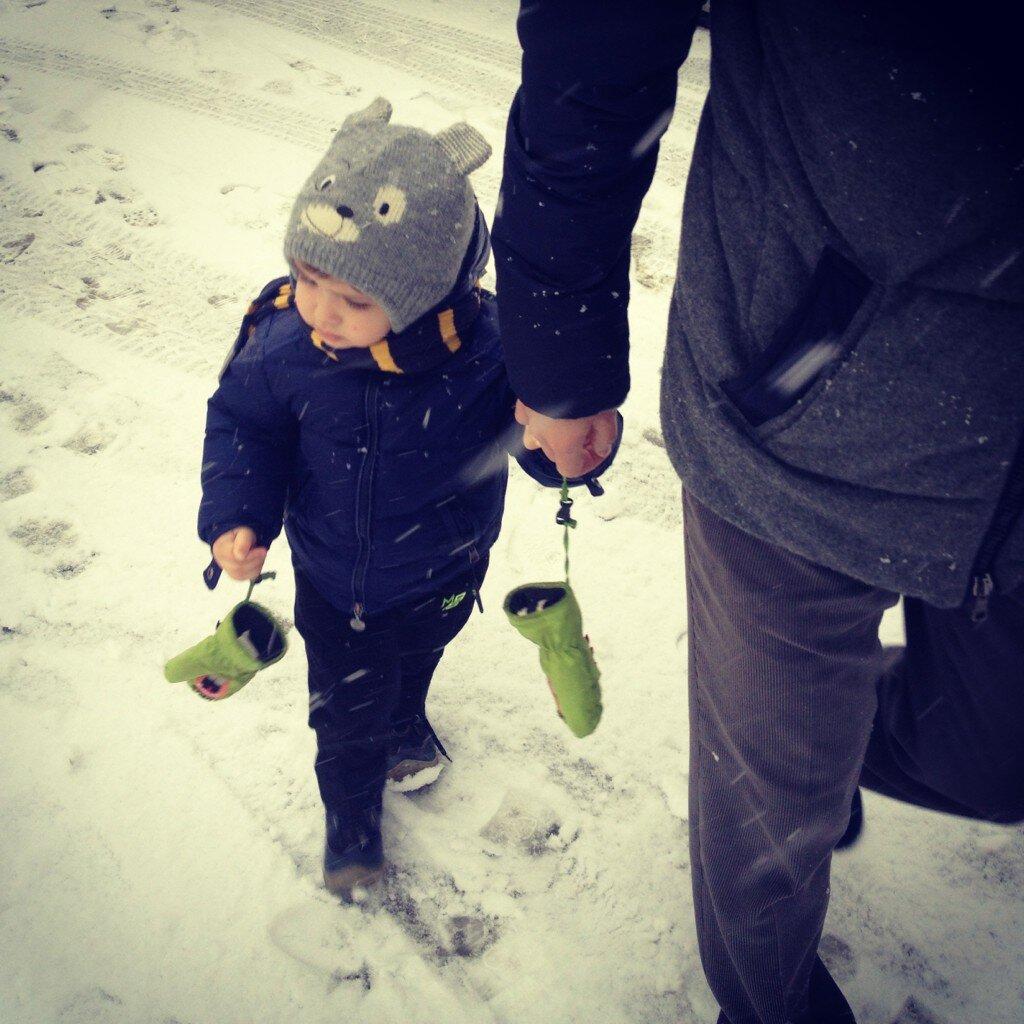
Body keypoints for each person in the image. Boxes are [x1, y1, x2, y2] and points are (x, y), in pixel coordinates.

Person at [492, 3, 1024, 1022]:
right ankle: (770, 1003)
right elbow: (595, 46)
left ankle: (830, 751)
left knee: (995, 763)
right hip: (800, 421)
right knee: (766, 822)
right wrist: (561, 367)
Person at [196, 97, 615, 901]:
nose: (323, 308)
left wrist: (566, 443)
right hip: (333, 580)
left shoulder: (490, 351)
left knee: (419, 654)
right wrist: (237, 518)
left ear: (428, 288)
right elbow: (244, 425)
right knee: (343, 716)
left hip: (447, 567)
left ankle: (405, 715)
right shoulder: (285, 339)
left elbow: (538, 443)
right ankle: (351, 824)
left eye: (354, 299)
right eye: (310, 277)